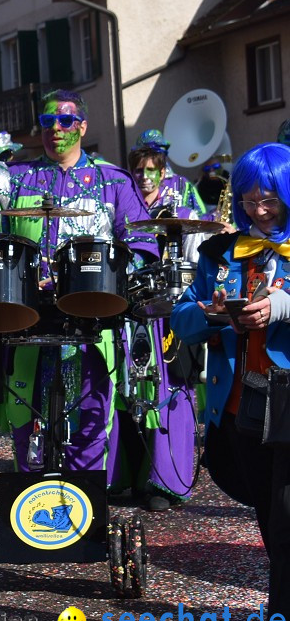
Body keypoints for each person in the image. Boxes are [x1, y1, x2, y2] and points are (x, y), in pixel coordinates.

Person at [0, 89, 159, 478]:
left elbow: (143, 242)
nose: (55, 130)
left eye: (65, 121)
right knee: (25, 422)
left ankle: (84, 514)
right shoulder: (16, 181)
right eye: (47, 122)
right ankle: (32, 513)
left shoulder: (112, 181)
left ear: (82, 125)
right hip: (27, 320)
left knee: (93, 420)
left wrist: (125, 277)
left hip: (92, 321)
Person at [172, 142, 290, 621]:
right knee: (270, 522)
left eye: (268, 199)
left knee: (286, 525)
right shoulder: (219, 251)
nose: (258, 211)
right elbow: (182, 317)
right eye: (247, 200)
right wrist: (216, 317)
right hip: (245, 407)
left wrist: (281, 307)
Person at [121, 140, 204, 511]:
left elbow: (197, 265)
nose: (144, 176)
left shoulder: (182, 211)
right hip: (130, 313)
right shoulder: (123, 207)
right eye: (138, 170)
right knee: (129, 393)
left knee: (171, 394)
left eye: (151, 169)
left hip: (169, 318)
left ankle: (167, 482)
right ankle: (127, 475)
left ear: (163, 172)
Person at [131, 129, 206, 215]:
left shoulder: (182, 183)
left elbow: (200, 216)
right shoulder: (127, 188)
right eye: (147, 151)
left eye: (159, 150)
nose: (145, 176)